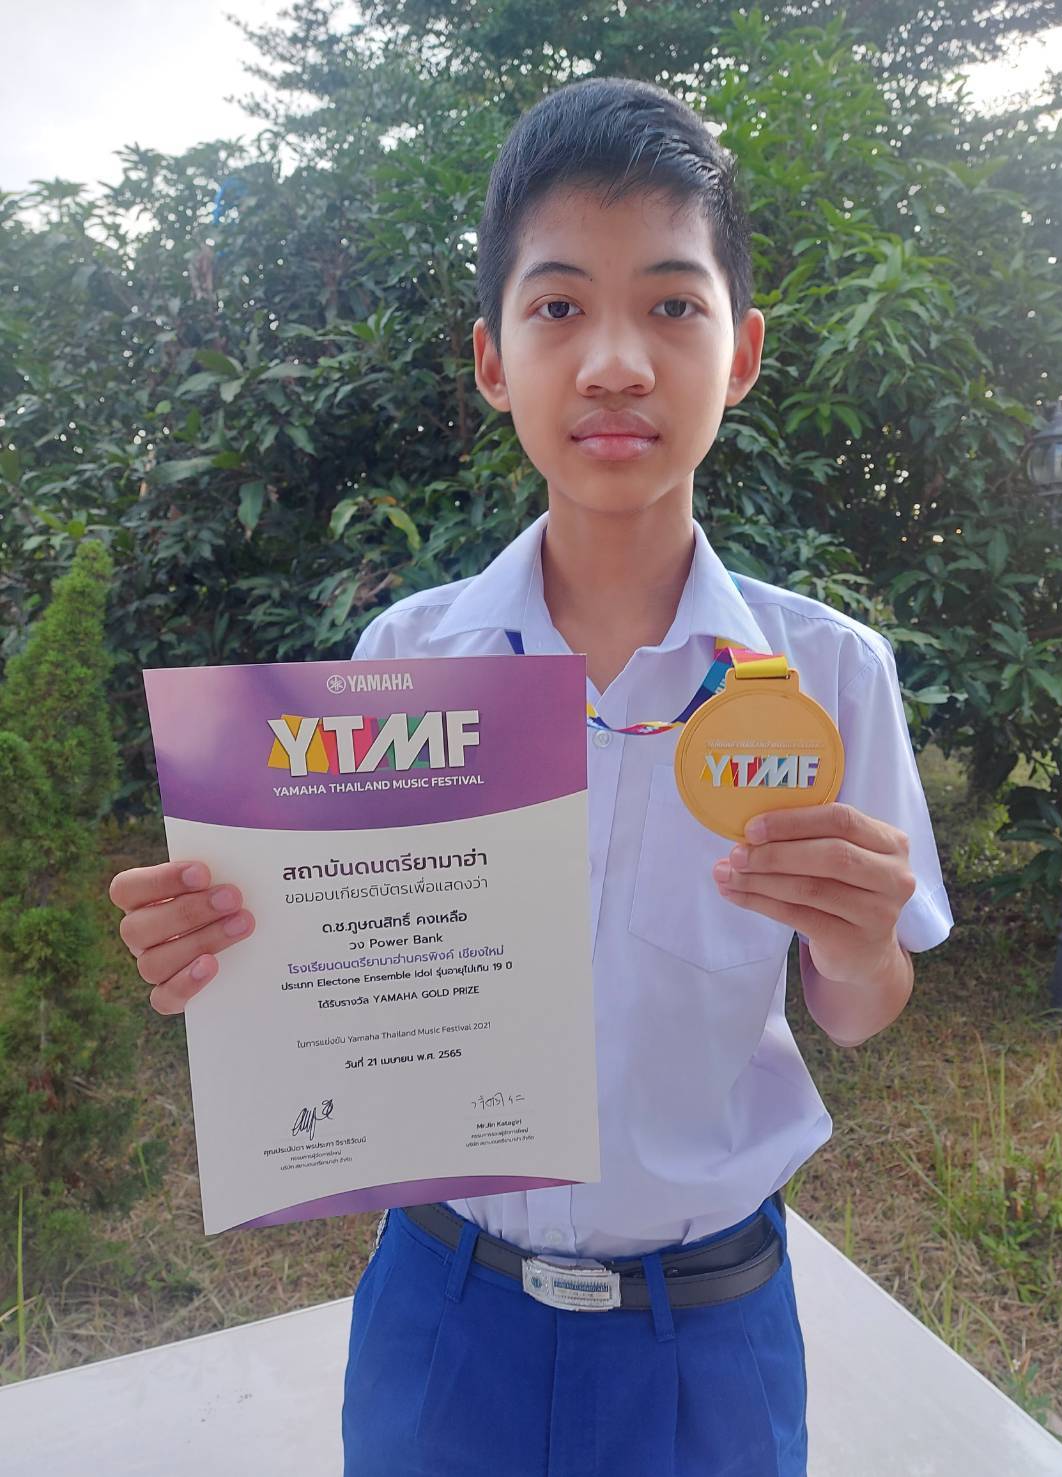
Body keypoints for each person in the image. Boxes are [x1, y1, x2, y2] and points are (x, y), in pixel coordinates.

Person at [110, 76, 953, 1477]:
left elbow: (860, 1011)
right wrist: (225, 947)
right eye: (559, 306)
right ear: (495, 361)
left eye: (671, 305)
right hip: (447, 1315)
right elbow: (343, 983)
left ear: (741, 352)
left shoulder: (827, 675)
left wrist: (859, 945)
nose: (615, 362)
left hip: (711, 1334)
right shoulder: (407, 662)